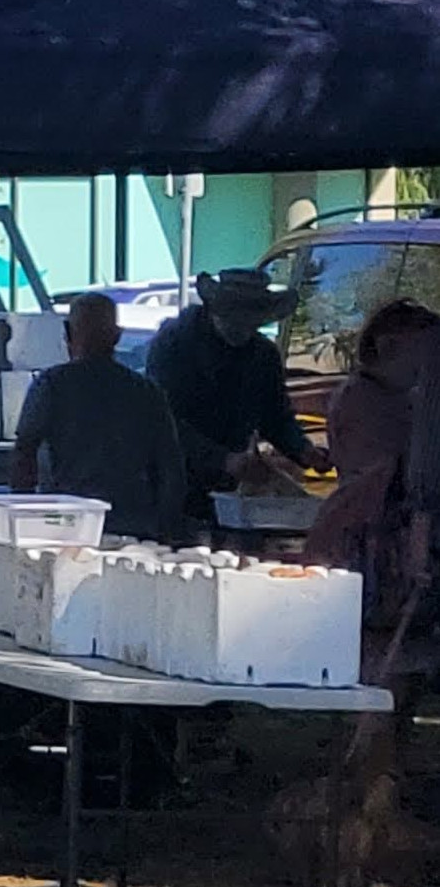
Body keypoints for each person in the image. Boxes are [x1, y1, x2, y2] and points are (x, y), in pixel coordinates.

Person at [12, 291, 190, 541]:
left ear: (67, 333)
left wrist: (23, 519)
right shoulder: (147, 393)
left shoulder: (52, 385)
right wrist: (165, 530)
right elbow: (171, 471)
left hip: (68, 525)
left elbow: (24, 455)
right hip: (135, 527)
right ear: (117, 336)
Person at [307, 300, 432, 642]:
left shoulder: (401, 399)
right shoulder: (362, 400)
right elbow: (373, 478)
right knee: (375, 642)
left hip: (380, 536)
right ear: (388, 346)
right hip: (369, 540)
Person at [145, 267, 316, 516]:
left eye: (251, 322)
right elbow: (162, 420)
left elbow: (275, 415)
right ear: (214, 309)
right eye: (234, 318)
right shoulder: (174, 345)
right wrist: (221, 459)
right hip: (172, 479)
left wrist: (302, 449)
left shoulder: (262, 354)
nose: (242, 329)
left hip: (232, 488)